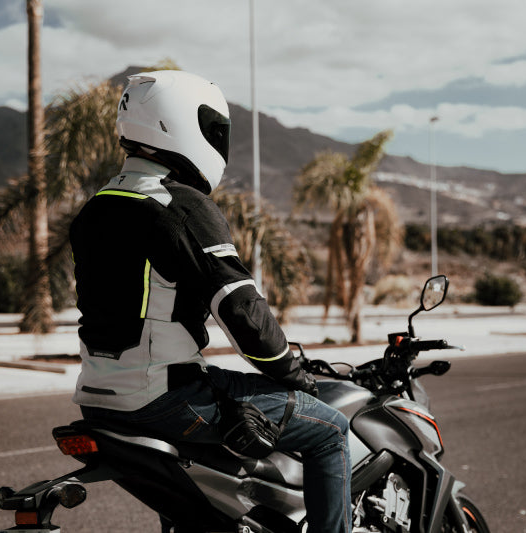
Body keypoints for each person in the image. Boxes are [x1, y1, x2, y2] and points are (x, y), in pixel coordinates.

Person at [69, 70, 351, 533]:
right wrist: (294, 375)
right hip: (166, 397)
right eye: (214, 129)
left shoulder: (99, 204)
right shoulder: (178, 205)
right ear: (179, 123)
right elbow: (243, 314)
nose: (218, 141)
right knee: (331, 431)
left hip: (98, 400)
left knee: (188, 505)